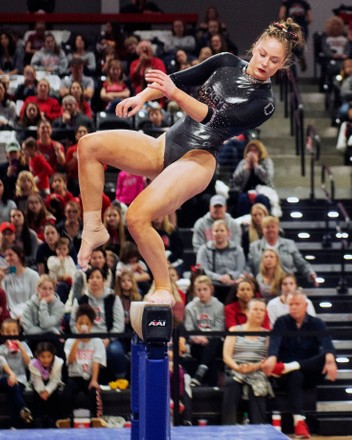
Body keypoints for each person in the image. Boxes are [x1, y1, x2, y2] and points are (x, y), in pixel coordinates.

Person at [76, 19, 305, 305]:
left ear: (282, 65)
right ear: (255, 46)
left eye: (274, 61)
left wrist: (174, 94)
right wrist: (144, 95)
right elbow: (178, 80)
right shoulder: (225, 61)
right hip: (167, 143)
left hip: (199, 158)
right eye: (262, 54)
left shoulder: (264, 102)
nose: (264, 63)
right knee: (89, 146)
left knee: (136, 217)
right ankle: (93, 226)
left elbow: (214, 118)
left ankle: (163, 287)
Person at [263, 291, 338, 439]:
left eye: (297, 304)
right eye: (291, 304)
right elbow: (275, 342)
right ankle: (299, 422)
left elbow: (327, 344)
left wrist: (330, 359)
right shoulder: (282, 322)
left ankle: (291, 365)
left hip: (310, 373)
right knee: (295, 374)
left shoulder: (317, 323)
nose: (294, 307)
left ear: (306, 305)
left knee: (324, 356)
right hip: (286, 375)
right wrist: (272, 357)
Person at [70, 267, 126, 381]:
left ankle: (121, 380)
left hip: (107, 338)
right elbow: (72, 324)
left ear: (104, 281)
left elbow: (119, 325)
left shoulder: (113, 299)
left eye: (98, 277)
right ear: (87, 281)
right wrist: (84, 337)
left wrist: (108, 339)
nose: (94, 280)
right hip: (86, 339)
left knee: (116, 351)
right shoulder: (81, 300)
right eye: (91, 278)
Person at [222, 298, 272, 424]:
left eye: (262, 310)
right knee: (231, 385)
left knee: (256, 388)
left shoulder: (267, 334)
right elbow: (226, 356)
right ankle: (228, 428)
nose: (259, 313)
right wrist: (238, 368)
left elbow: (268, 358)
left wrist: (255, 366)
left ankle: (259, 428)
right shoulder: (235, 330)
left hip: (258, 371)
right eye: (255, 309)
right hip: (236, 369)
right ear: (247, 312)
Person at [58, 304, 106, 428]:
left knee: (95, 393)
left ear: (91, 326)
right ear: (76, 325)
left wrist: (94, 380)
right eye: (81, 323)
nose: (83, 326)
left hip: (90, 377)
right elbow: (70, 359)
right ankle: (66, 419)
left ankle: (97, 418)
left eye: (87, 323)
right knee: (65, 394)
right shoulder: (70, 342)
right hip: (74, 377)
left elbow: (96, 361)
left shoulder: (97, 341)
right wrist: (78, 340)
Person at [247, 215, 318, 285]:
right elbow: (249, 266)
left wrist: (310, 273)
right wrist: (249, 277)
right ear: (262, 229)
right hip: (262, 285)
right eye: (267, 227)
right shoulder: (254, 247)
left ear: (278, 228)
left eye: (273, 227)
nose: (270, 229)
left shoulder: (289, 244)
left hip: (285, 284)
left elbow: (301, 263)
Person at [184, 275, 224, 387]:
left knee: (213, 342)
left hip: (214, 341)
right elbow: (189, 328)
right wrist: (196, 337)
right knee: (206, 350)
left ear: (211, 289)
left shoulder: (219, 306)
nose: (202, 292)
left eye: (205, 289)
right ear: (195, 291)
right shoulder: (190, 307)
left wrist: (206, 337)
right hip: (197, 343)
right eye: (199, 290)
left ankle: (199, 376)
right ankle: (212, 383)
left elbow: (219, 328)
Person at [196, 219, 245, 302]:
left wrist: (230, 276)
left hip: (233, 283)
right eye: (216, 231)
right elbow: (203, 269)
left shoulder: (237, 249)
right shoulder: (204, 249)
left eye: (222, 230)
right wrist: (219, 277)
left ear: (228, 233)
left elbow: (240, 269)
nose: (219, 233)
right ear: (212, 233)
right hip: (212, 283)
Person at [0, 318, 33, 427]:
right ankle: (23, 408)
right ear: (2, 333)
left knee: (13, 391)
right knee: (11, 384)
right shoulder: (1, 348)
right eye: (8, 332)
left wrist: (21, 348)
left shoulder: (23, 345)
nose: (11, 334)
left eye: (14, 331)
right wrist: (10, 375)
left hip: (20, 380)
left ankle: (13, 425)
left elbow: (29, 365)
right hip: (3, 379)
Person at [231, 139, 274, 216]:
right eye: (250, 151)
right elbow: (235, 180)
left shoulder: (266, 162)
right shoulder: (243, 163)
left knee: (261, 199)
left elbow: (268, 178)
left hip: (264, 191)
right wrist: (246, 168)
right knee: (243, 199)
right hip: (245, 191)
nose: (252, 153)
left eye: (255, 151)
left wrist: (256, 165)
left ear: (260, 152)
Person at [28, 341, 64, 428]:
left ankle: (52, 423)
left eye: (49, 357)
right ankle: (38, 423)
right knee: (37, 400)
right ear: (38, 355)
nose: (46, 360)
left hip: (53, 383)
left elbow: (55, 380)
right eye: (42, 357)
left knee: (54, 398)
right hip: (38, 385)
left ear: (53, 356)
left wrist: (47, 391)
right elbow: (37, 381)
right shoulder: (33, 364)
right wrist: (41, 392)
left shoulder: (58, 363)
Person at [0, 245, 39, 320]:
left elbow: (36, 298)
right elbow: (4, 300)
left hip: (29, 312)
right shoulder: (5, 276)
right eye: (6, 256)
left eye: (10, 255)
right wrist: (0, 281)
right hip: (10, 314)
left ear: (20, 255)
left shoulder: (33, 275)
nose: (7, 258)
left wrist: (23, 313)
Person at [0, 352, 33, 427]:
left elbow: (11, 372)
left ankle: (23, 411)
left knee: (11, 384)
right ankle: (22, 408)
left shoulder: (1, 358)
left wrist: (12, 376)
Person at [47, 237, 77, 303]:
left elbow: (74, 270)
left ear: (68, 250)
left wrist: (69, 276)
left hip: (69, 281)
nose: (61, 251)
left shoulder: (69, 259)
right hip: (56, 282)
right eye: (59, 249)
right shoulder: (52, 259)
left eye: (64, 249)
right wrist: (60, 261)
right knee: (61, 286)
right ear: (55, 249)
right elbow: (52, 268)